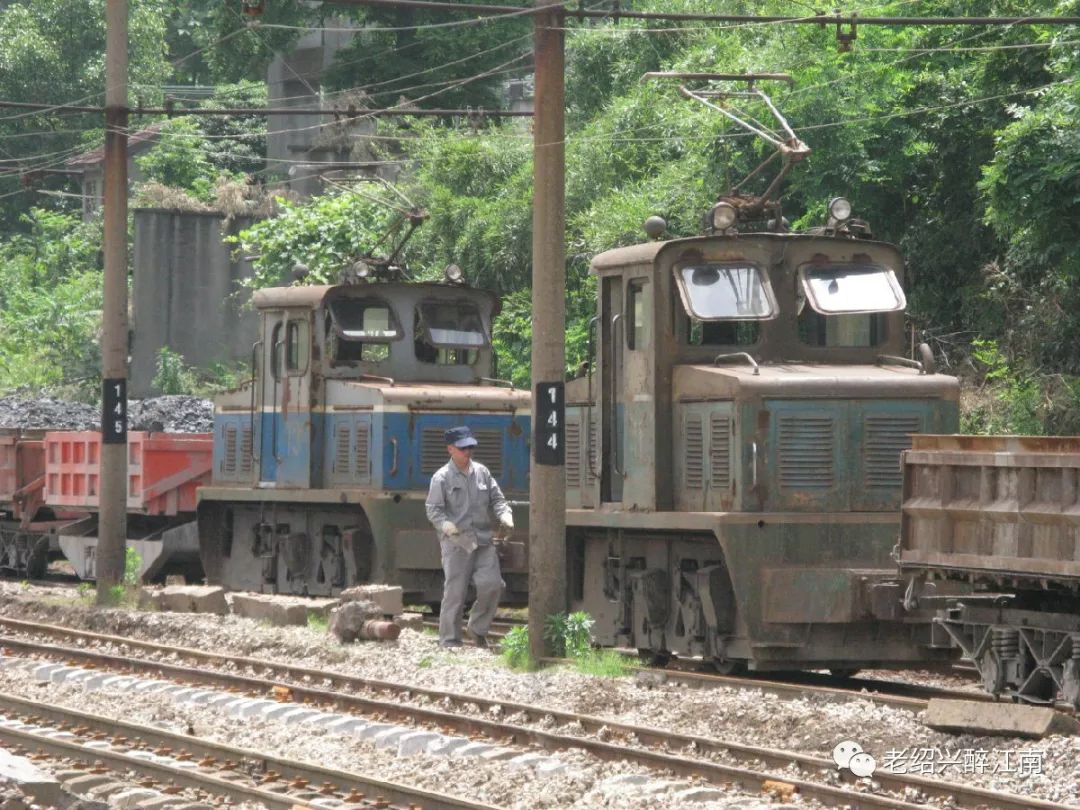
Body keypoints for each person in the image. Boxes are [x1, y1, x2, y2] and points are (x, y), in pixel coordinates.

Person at [425, 425, 513, 648]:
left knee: (493, 585)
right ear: (450, 449)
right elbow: (433, 509)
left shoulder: (482, 472)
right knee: (455, 593)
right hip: (457, 543)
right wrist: (445, 525)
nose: (468, 452)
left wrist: (505, 515)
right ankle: (449, 640)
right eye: (463, 448)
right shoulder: (441, 478)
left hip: (483, 541)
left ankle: (477, 628)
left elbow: (498, 500)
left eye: (470, 448)